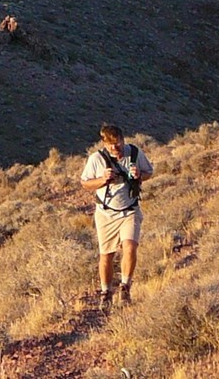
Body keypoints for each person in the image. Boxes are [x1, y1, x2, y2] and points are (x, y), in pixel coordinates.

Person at [80, 123, 154, 307]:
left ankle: (125, 288)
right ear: (104, 144)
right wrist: (102, 180)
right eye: (110, 144)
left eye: (118, 143)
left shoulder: (135, 153)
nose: (115, 148)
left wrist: (139, 175)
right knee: (107, 255)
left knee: (130, 246)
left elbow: (149, 172)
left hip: (130, 210)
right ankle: (106, 292)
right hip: (106, 213)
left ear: (123, 139)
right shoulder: (96, 159)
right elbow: (85, 184)